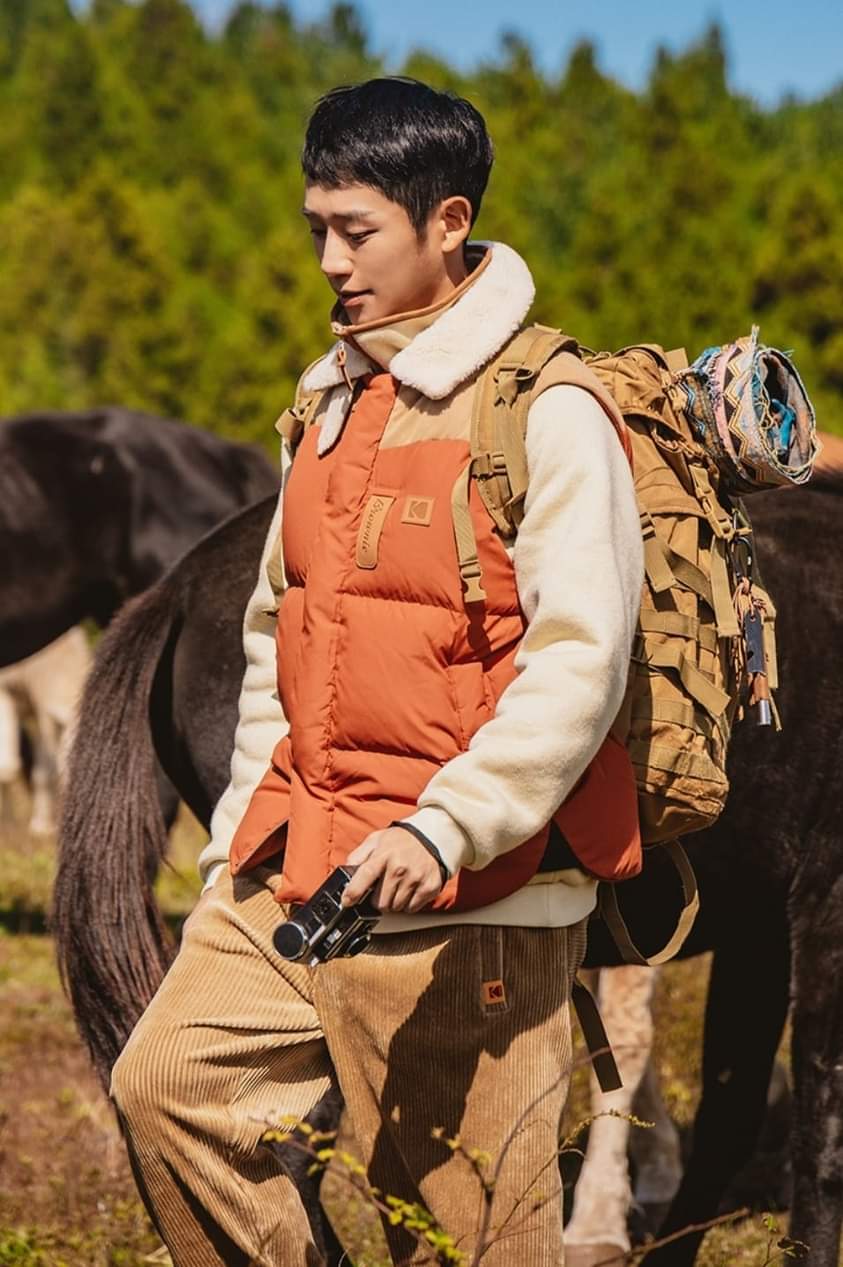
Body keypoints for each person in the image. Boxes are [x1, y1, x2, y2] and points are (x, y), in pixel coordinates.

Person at [111, 77, 644, 1266]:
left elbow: (580, 661)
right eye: (317, 229)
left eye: (355, 232)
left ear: (449, 223)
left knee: (472, 1242)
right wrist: (234, 849)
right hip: (297, 871)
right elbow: (277, 636)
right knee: (167, 1088)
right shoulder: (326, 399)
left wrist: (448, 826)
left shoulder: (548, 411)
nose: (328, 264)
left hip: (481, 907)